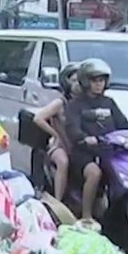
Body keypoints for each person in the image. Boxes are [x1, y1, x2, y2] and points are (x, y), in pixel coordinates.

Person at [64, 58, 128, 225]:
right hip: (84, 153)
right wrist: (83, 138)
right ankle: (87, 217)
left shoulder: (109, 103)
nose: (99, 84)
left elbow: (123, 124)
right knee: (94, 173)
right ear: (86, 81)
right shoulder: (76, 104)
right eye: (95, 80)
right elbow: (72, 127)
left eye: (102, 80)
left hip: (108, 151)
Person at [30, 62, 81, 201]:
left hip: (78, 145)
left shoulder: (85, 102)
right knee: (63, 162)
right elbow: (38, 118)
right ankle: (58, 201)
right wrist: (55, 135)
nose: (77, 84)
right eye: (74, 80)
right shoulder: (61, 102)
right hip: (60, 145)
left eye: (80, 80)